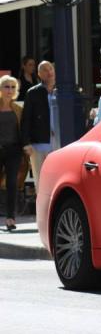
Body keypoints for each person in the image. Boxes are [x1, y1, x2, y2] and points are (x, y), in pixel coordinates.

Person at [21, 61, 59, 195]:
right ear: (39, 74)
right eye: (44, 70)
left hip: (60, 143)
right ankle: (42, 213)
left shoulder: (62, 91)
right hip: (39, 144)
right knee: (41, 181)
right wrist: (26, 143)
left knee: (59, 179)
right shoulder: (33, 93)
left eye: (50, 68)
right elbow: (26, 119)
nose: (49, 72)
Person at [0, 76, 26, 231]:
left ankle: (11, 218)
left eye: (12, 87)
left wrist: (26, 147)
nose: (9, 90)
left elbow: (23, 131)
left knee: (11, 184)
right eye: (6, 87)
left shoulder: (18, 109)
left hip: (14, 150)